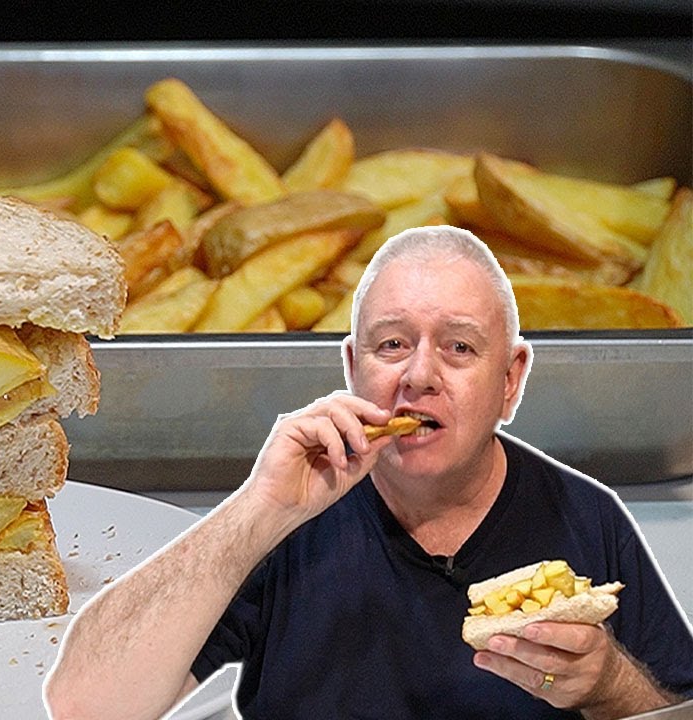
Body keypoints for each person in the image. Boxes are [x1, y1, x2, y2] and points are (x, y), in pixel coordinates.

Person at [43, 225, 693, 719]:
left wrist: (610, 685)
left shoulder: (587, 517)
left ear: (510, 380)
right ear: (353, 368)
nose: (419, 374)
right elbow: (85, 706)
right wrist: (258, 508)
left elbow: (674, 705)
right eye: (393, 344)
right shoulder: (289, 519)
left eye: (459, 346)